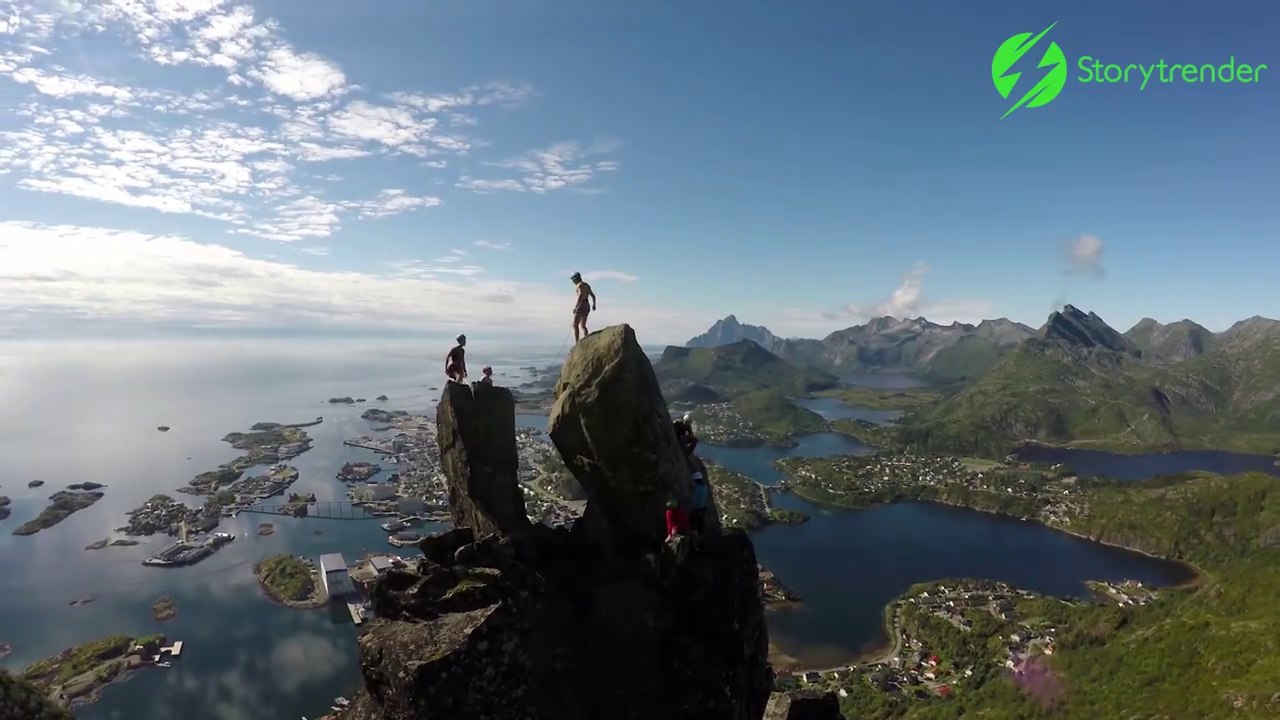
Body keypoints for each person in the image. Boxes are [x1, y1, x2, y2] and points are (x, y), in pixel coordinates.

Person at [570, 272, 596, 344]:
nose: (573, 282)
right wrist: (594, 305)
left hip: (581, 305)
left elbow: (580, 295)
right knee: (583, 325)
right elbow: (593, 296)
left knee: (575, 324)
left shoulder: (579, 285)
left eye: (573, 280)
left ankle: (577, 342)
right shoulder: (587, 285)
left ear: (576, 279)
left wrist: (576, 307)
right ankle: (587, 339)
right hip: (587, 305)